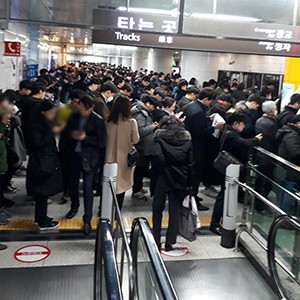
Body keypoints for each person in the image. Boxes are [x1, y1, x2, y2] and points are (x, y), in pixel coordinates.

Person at [210, 113, 262, 235]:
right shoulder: (231, 135)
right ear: (235, 123)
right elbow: (244, 143)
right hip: (229, 169)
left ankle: (218, 221)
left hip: (228, 168)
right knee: (223, 196)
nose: (244, 127)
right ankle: (215, 223)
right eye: (242, 124)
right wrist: (256, 140)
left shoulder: (227, 131)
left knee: (225, 195)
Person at [65, 96, 106, 235]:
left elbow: (102, 142)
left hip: (90, 158)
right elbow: (65, 133)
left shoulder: (98, 120)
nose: (83, 111)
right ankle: (74, 206)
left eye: (86, 109)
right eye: (81, 108)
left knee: (88, 188)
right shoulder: (73, 117)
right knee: (73, 184)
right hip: (73, 156)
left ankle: (87, 219)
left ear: (91, 108)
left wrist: (86, 138)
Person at [152, 116, 194, 251]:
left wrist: (160, 171)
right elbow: (191, 162)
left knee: (157, 209)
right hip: (180, 177)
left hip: (162, 177)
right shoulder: (187, 138)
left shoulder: (159, 137)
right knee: (174, 211)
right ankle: (170, 242)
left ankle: (156, 239)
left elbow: (157, 157)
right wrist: (190, 181)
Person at [185, 88, 224, 210]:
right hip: (197, 147)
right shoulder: (198, 111)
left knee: (194, 174)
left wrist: (207, 119)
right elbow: (200, 132)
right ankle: (193, 199)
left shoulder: (192, 106)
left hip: (192, 145)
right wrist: (215, 127)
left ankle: (193, 196)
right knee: (196, 174)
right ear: (206, 99)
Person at [26, 100, 63, 230]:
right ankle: (42, 222)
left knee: (43, 192)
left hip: (45, 160)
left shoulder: (44, 123)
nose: (53, 114)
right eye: (51, 112)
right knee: (42, 191)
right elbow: (37, 143)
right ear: (43, 112)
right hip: (40, 161)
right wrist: (51, 131)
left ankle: (41, 217)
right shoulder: (36, 125)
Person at [105, 95, 140, 209]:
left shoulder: (108, 121)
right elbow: (136, 139)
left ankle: (105, 209)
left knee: (108, 184)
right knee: (121, 186)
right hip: (124, 159)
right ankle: (117, 211)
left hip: (108, 157)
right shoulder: (131, 122)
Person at [57, 89, 85, 204]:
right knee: (65, 170)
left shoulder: (83, 112)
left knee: (75, 172)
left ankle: (72, 191)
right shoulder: (63, 111)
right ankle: (66, 191)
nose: (76, 104)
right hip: (66, 145)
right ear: (70, 100)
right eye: (74, 101)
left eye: (79, 102)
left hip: (79, 147)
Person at [131, 95, 158, 200]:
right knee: (140, 169)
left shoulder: (143, 112)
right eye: (153, 106)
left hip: (145, 146)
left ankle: (139, 187)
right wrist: (153, 127)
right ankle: (136, 190)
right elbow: (140, 131)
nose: (154, 108)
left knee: (143, 167)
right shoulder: (141, 114)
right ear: (147, 104)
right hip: (142, 146)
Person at [276, 115, 300, 214]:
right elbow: (295, 152)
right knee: (289, 193)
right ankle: (285, 218)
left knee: (286, 191)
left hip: (287, 168)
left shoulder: (289, 132)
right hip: (291, 168)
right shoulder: (292, 135)